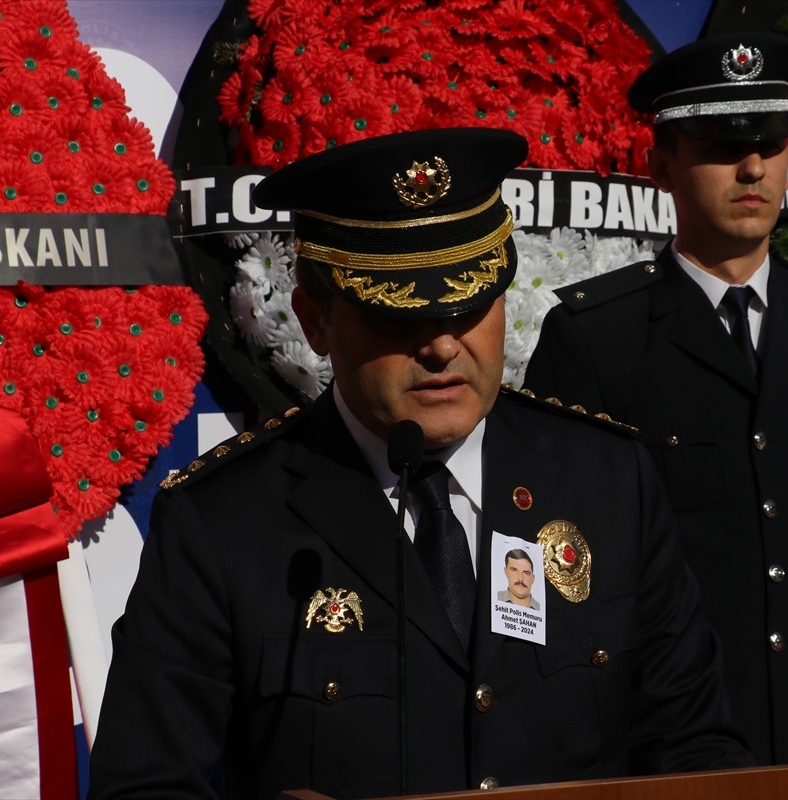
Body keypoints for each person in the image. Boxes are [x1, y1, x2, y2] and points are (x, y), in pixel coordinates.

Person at [88, 127, 751, 799]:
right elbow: (141, 785)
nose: (441, 346)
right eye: (397, 315)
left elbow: (696, 746)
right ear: (315, 321)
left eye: (468, 305)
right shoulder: (223, 524)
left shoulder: (609, 481)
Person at [524, 32, 788, 766]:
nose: (752, 167)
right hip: (671, 750)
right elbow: (561, 585)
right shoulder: (595, 339)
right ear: (661, 166)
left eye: (773, 145)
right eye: (719, 147)